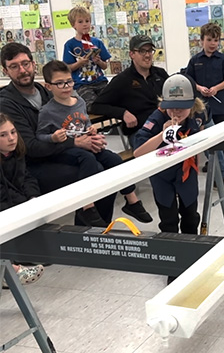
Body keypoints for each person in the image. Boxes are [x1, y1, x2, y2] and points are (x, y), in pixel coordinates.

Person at [0, 43, 117, 225]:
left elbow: (70, 122)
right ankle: (88, 232)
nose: (22, 70)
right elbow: (29, 147)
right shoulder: (6, 103)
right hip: (34, 165)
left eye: (25, 63)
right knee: (94, 171)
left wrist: (89, 136)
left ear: (33, 64)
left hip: (60, 153)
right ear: (5, 71)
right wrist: (76, 143)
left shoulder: (45, 91)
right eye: (14, 66)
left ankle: (99, 231)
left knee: (111, 166)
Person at [36, 60, 152, 227]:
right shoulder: (47, 111)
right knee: (87, 159)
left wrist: (92, 131)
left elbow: (86, 124)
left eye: (69, 81)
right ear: (49, 87)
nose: (66, 86)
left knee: (113, 160)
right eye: (59, 83)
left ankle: (132, 200)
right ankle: (87, 206)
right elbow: (40, 136)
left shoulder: (80, 102)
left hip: (86, 144)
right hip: (66, 150)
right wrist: (53, 138)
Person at [133, 74, 206, 235]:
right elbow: (138, 152)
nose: (176, 112)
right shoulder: (157, 118)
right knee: (169, 220)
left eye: (182, 107)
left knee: (191, 216)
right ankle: (173, 253)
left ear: (193, 103)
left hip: (187, 171)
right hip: (162, 174)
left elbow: (200, 135)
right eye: (172, 106)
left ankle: (191, 250)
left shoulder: (198, 114)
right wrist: (162, 134)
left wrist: (197, 163)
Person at [185, 22, 224, 194]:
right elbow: (189, 80)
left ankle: (216, 166)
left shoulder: (223, 59)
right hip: (201, 108)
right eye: (209, 40)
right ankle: (218, 171)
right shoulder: (195, 61)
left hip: (219, 105)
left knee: (220, 139)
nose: (213, 44)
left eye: (216, 40)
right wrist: (200, 87)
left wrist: (217, 87)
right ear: (201, 40)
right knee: (207, 139)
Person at [91, 35, 169, 145]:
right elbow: (96, 106)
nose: (147, 55)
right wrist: (123, 113)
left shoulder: (160, 74)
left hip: (165, 127)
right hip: (142, 133)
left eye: (150, 51)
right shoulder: (122, 80)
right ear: (131, 54)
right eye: (142, 51)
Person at [0, 112, 44, 287]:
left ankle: (16, 262)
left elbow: (26, 178)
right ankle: (12, 270)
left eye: (13, 132)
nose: (11, 138)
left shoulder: (15, 153)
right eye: (3, 135)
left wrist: (32, 197)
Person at [63, 6, 111, 112]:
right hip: (82, 84)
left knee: (113, 101)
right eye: (80, 22)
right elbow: (68, 68)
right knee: (92, 106)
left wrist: (99, 61)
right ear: (73, 25)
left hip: (100, 80)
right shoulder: (70, 45)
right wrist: (79, 63)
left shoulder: (97, 42)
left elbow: (105, 65)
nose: (85, 24)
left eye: (87, 21)